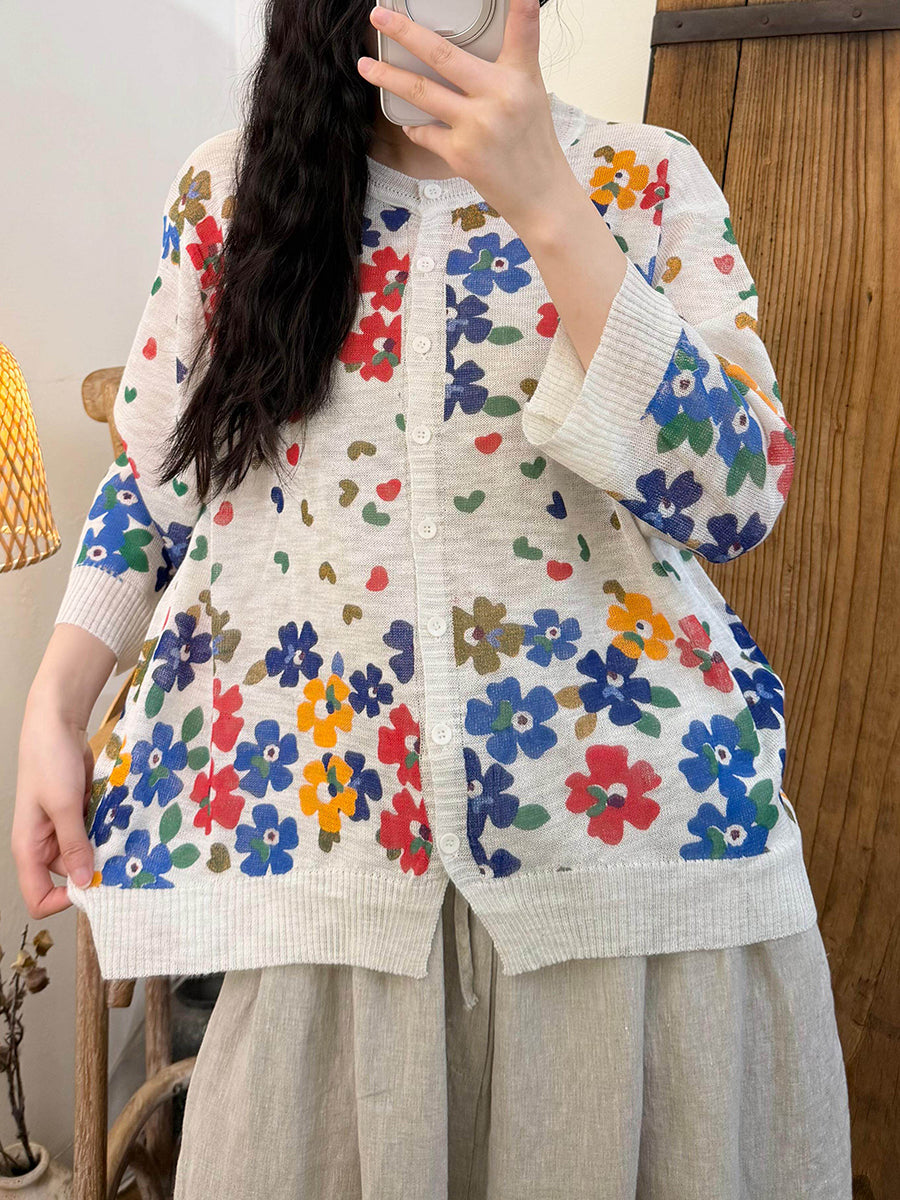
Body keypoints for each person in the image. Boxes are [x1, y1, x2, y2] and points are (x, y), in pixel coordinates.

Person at [14, 1, 852, 1195]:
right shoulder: (233, 196)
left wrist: (550, 205)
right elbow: (154, 486)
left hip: (632, 878)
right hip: (324, 871)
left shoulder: (647, 178)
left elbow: (738, 496)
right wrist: (56, 703)